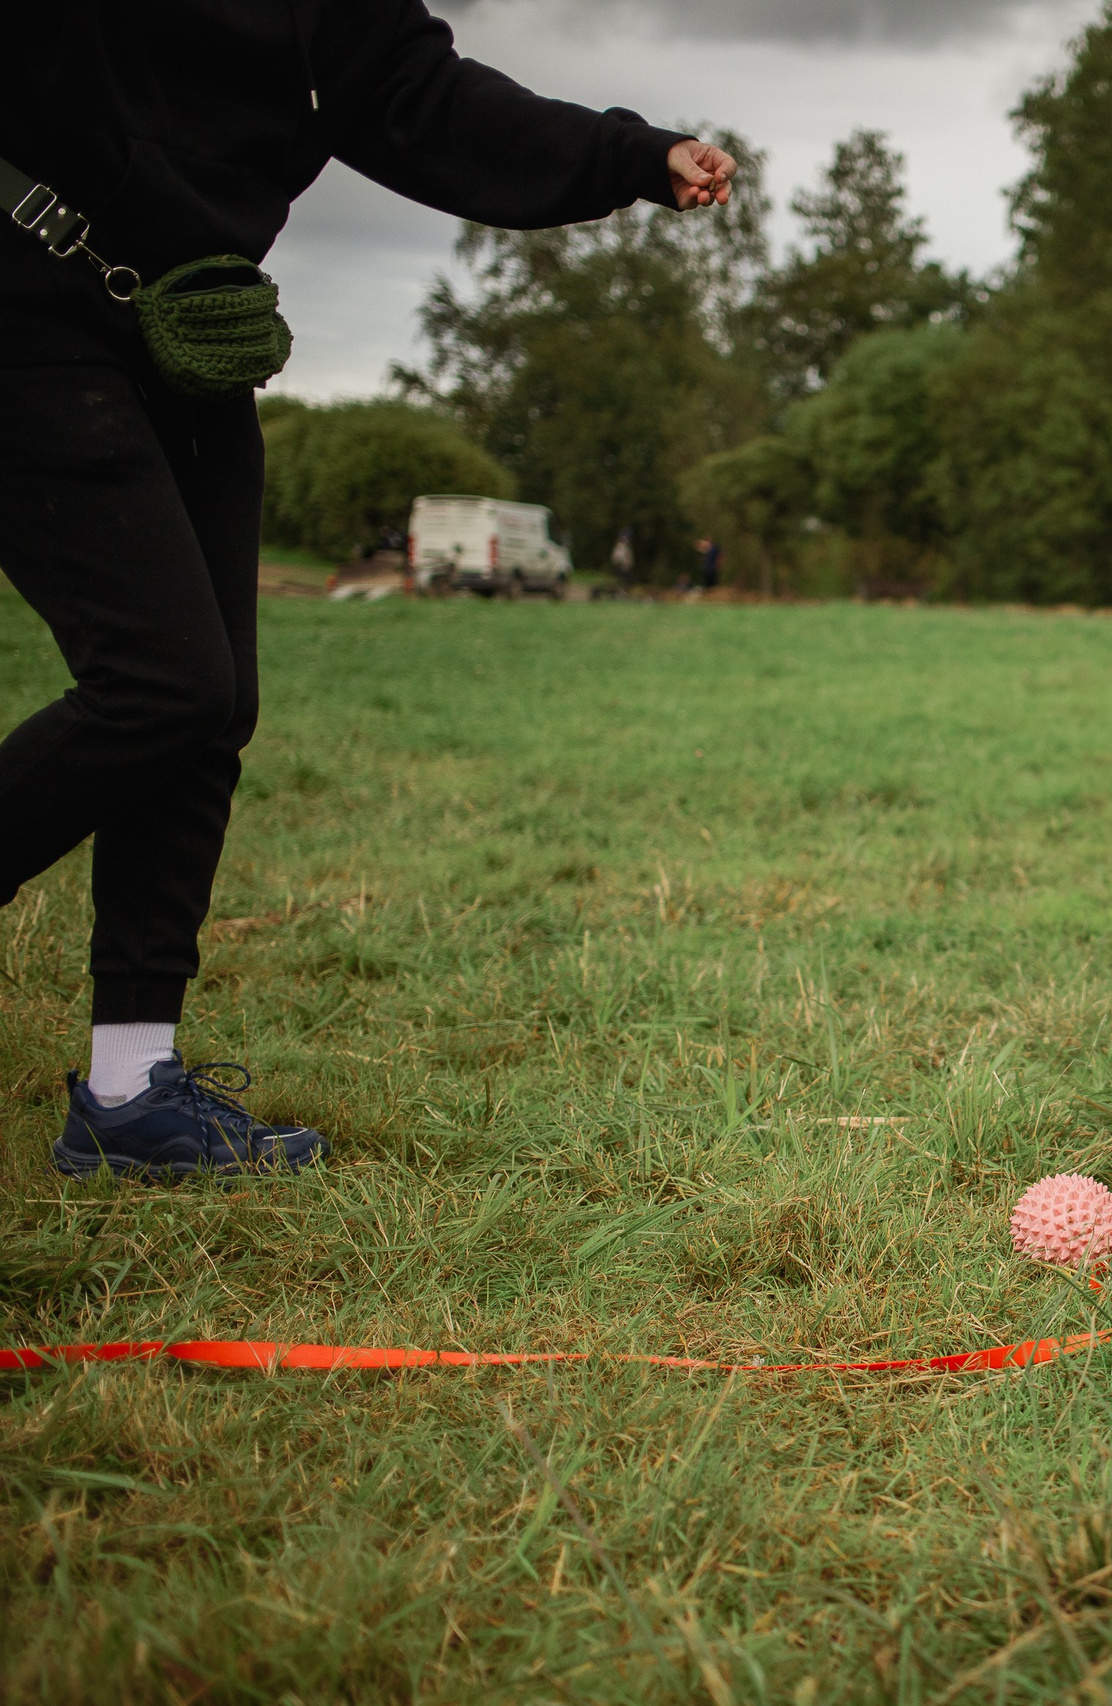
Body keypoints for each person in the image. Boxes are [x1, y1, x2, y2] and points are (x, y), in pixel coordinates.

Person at [1, 4, 735, 1178]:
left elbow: (418, 100)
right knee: (160, 682)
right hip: (26, 302)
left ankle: (129, 1091)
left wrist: (635, 156)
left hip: (188, 320)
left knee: (209, 710)